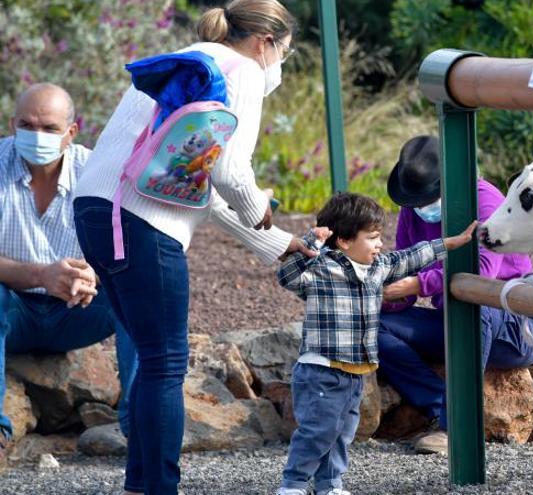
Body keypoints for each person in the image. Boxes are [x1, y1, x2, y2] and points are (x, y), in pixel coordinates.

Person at [72, 1, 309, 493]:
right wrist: (258, 207)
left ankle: (141, 484)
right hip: (140, 222)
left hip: (96, 210)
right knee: (165, 362)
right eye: (283, 53)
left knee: (150, 352)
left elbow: (195, 185)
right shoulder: (242, 69)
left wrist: (279, 242)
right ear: (265, 42)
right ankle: (159, 487)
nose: (279, 66)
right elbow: (228, 174)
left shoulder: (186, 60)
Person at [276, 192, 477, 495]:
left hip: (356, 373)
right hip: (321, 371)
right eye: (372, 238)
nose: (380, 244)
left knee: (342, 433)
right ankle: (292, 484)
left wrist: (447, 244)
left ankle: (329, 485)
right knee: (318, 431)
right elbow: (287, 276)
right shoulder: (321, 268)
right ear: (344, 240)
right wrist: (310, 242)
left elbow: (410, 257)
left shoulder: (377, 267)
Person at [378, 135, 533, 455]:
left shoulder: (487, 200)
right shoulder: (413, 208)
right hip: (455, 322)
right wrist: (386, 294)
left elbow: (481, 271)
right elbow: (404, 268)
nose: (420, 208)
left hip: (519, 328)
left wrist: (417, 285)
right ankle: (439, 404)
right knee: (376, 325)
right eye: (415, 200)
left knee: (475, 305)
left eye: (426, 198)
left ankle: (453, 426)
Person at [0, 83, 137, 469]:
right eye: (25, 125)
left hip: (80, 312)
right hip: (13, 309)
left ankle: (141, 427)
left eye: (48, 128)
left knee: (136, 290)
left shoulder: (97, 173)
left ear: (71, 132)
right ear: (12, 125)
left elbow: (126, 246)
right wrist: (41, 273)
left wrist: (94, 272)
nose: (35, 135)